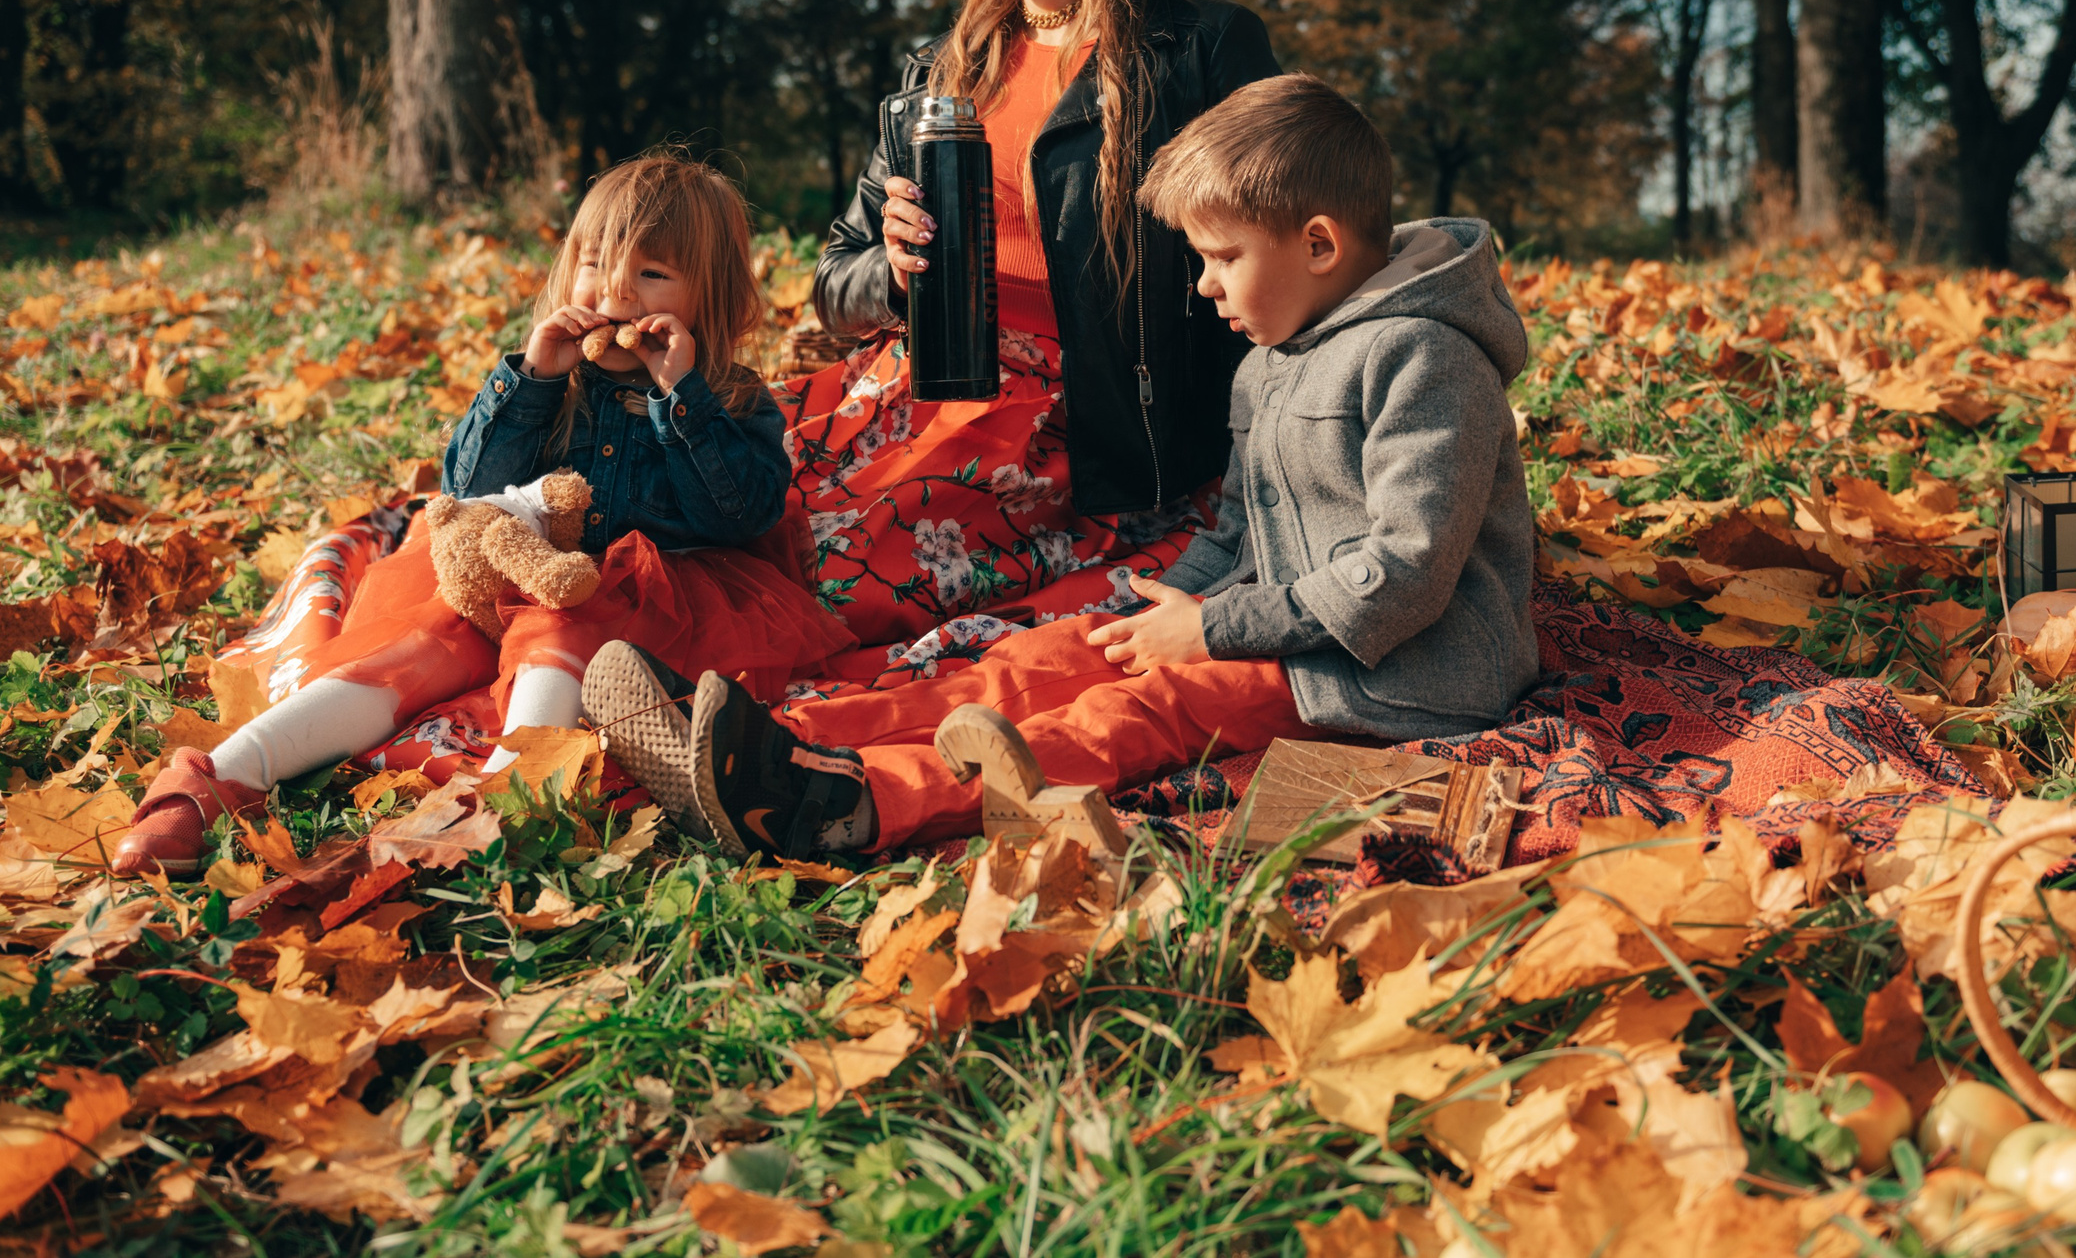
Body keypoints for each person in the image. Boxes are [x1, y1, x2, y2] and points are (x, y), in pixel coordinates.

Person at [591, 74, 1540, 858]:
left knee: (1138, 709)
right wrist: (1153, 609)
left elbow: (1406, 572)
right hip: (1277, 626)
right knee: (1050, 656)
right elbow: (1236, 532)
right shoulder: (1270, 354)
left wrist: (1212, 628)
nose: (1203, 285)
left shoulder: (1427, 360)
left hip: (1396, 668)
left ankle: (845, 806)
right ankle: (781, 744)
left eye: (1220, 257)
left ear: (1320, 244)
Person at [112, 152, 828, 875]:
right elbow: (466, 487)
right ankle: (216, 778)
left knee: (561, 616)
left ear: (711, 299)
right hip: (511, 573)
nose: (614, 289)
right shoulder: (553, 377)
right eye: (595, 261)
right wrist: (532, 381)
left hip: (653, 600)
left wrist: (683, 398)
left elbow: (739, 514)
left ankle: (511, 806)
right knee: (426, 633)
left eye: (651, 273)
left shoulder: (731, 398)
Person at [781, 0, 1280, 652]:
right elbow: (833, 277)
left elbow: (1286, 275)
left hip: (1077, 440)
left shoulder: (1200, 52)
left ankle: (733, 712)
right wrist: (892, 273)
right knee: (711, 495)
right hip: (905, 384)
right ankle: (564, 692)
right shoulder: (941, 71)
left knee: (833, 559)